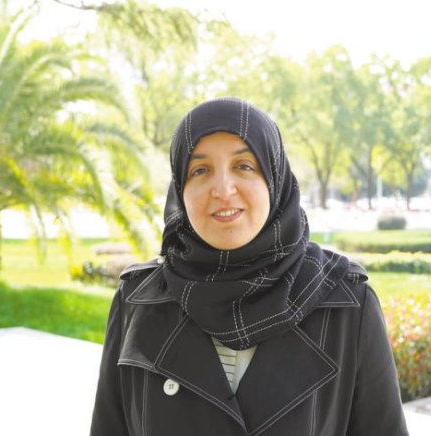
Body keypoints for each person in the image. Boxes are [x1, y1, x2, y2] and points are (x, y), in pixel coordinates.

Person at [90, 97, 409, 436]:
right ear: (180, 189)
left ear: (274, 177)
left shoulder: (346, 303)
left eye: (244, 166)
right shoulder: (138, 300)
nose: (223, 189)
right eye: (200, 170)